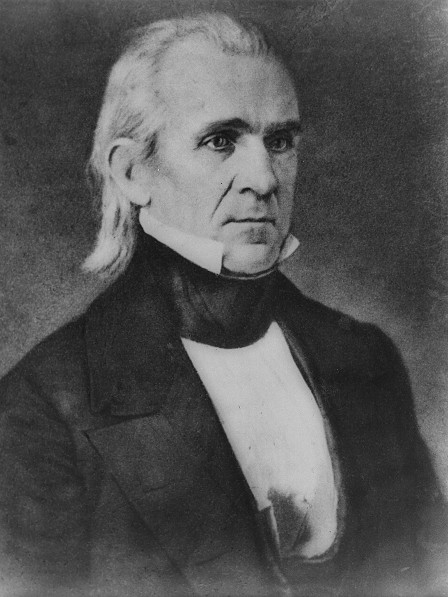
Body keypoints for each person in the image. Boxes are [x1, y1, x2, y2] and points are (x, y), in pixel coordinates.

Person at [0, 12, 445, 597]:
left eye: (279, 142)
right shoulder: (42, 407)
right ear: (132, 172)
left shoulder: (365, 358)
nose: (264, 179)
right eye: (221, 141)